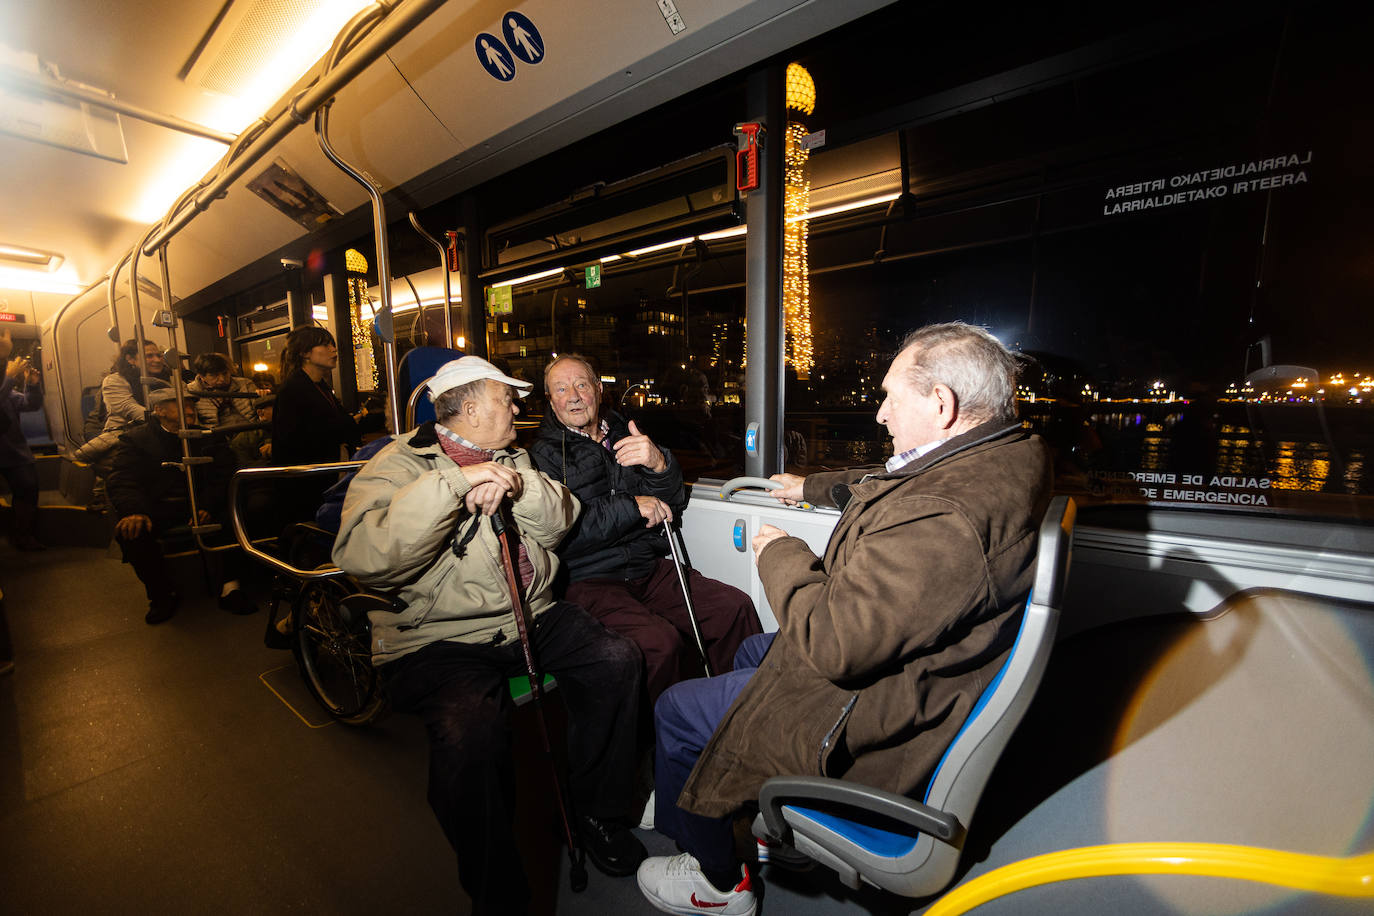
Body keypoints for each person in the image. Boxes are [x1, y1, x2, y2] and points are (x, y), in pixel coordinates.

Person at [635, 322, 1053, 915]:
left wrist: (780, 553)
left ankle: (719, 881)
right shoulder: (1000, 455)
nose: (880, 415)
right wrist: (812, 486)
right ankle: (724, 792)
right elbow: (896, 480)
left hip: (871, 717)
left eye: (890, 398)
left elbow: (833, 644)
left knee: (677, 710)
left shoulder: (944, 517)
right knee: (752, 652)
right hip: (917, 681)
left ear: (941, 404)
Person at [332, 355, 647, 914]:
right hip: (439, 635)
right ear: (472, 409)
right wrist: (455, 484)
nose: (518, 409)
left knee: (616, 659)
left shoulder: (514, 455)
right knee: (469, 733)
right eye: (507, 400)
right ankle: (498, 893)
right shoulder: (396, 464)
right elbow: (363, 555)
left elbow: (561, 523)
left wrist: (517, 485)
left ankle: (597, 811)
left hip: (530, 612)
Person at [531, 354, 762, 705]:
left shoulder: (626, 434)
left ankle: (739, 713)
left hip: (646, 567)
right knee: (659, 644)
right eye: (561, 389)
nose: (573, 396)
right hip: (588, 578)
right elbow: (561, 534)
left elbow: (673, 501)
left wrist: (659, 464)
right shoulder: (543, 457)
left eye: (581, 385)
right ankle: (670, 732)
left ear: (598, 389)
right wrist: (631, 507)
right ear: (551, 401)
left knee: (733, 609)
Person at [109, 388, 258, 624]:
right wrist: (134, 510)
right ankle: (160, 594)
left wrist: (207, 505)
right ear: (159, 410)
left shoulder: (208, 436)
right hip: (160, 505)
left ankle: (231, 586)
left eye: (191, 404)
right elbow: (123, 478)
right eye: (181, 404)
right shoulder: (136, 440)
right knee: (133, 532)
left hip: (201, 501)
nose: (190, 410)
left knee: (235, 513)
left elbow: (224, 474)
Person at [271, 326, 359, 467]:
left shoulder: (319, 385)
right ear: (305, 353)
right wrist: (346, 425)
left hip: (325, 467)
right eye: (325, 345)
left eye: (333, 345)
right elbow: (296, 439)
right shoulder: (293, 389)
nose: (333, 349)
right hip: (308, 472)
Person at [74, 339, 173, 465]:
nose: (157, 360)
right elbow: (128, 407)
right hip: (125, 432)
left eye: (159, 355)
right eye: (149, 356)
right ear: (131, 359)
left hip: (159, 431)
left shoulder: (166, 380)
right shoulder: (114, 380)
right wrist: (166, 417)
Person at [0, 332, 45, 550]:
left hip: (12, 450)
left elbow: (29, 404)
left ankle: (22, 535)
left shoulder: (6, 388)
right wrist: (9, 378)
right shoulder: (6, 383)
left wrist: (32, 384)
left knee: (28, 488)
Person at [187, 352, 257, 429]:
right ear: (202, 376)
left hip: (250, 428)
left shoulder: (245, 384)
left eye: (225, 373)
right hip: (215, 433)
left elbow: (260, 411)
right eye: (214, 375)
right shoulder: (191, 391)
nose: (222, 379)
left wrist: (263, 396)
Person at [229, 395, 274, 468]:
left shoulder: (289, 428)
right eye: (277, 409)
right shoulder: (244, 438)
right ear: (261, 413)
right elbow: (244, 466)